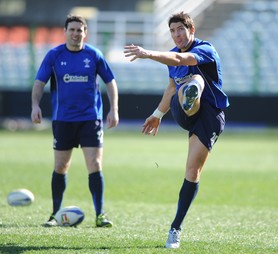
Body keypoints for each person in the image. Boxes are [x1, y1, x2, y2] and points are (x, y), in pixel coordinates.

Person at [124, 12, 229, 248]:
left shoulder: (206, 49)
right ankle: (191, 94)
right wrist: (157, 115)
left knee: (192, 172)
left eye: (180, 29)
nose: (177, 34)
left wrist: (148, 53)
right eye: (172, 31)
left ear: (191, 30)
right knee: (188, 86)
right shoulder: (172, 58)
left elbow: (183, 60)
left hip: (210, 116)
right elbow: (171, 88)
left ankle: (175, 229)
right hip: (184, 111)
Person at [31, 14, 119, 228]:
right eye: (72, 29)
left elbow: (110, 82)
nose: (75, 33)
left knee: (95, 164)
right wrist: (35, 105)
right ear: (65, 32)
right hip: (63, 120)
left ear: (85, 33)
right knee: (61, 165)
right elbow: (39, 82)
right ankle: (54, 214)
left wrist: (113, 109)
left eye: (79, 30)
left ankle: (100, 215)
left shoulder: (94, 55)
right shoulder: (54, 55)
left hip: (91, 119)